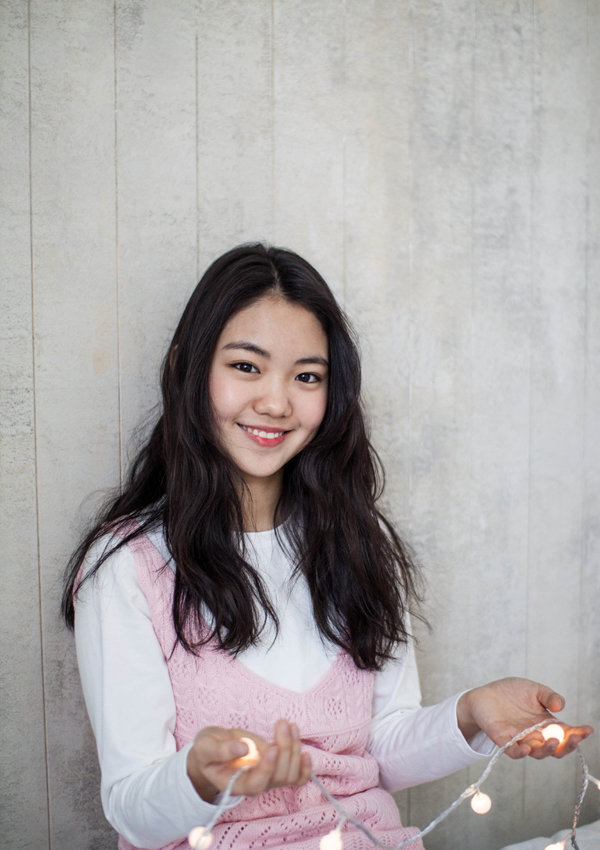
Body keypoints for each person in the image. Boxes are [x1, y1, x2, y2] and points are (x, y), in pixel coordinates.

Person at [63, 244, 592, 850]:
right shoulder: (127, 567)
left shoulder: (358, 543)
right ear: (187, 368)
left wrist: (471, 713)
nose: (276, 403)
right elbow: (130, 808)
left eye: (307, 376)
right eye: (246, 366)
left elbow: (376, 752)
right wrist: (198, 777)